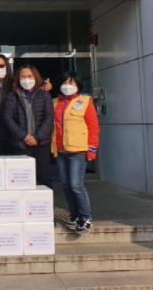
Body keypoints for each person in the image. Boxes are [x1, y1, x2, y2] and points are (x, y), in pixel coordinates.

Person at [51, 71, 100, 236]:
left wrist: (92, 150)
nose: (67, 85)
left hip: (78, 151)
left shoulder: (85, 102)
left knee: (76, 185)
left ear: (78, 85)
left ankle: (85, 217)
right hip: (60, 150)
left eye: (71, 82)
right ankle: (74, 215)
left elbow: (93, 127)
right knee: (66, 186)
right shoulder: (54, 102)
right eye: (65, 82)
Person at [3, 64, 54, 188]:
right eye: (23, 76)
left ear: (36, 77)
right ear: (18, 79)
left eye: (30, 76)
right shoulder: (12, 96)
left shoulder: (44, 95)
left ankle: (44, 201)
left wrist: (37, 137)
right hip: (20, 144)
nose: (26, 79)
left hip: (41, 144)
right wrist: (24, 136)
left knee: (44, 178)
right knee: (22, 179)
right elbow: (8, 118)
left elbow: (49, 118)